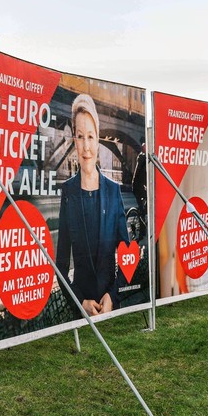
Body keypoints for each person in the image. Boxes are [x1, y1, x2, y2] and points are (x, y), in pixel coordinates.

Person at [56, 94, 130, 316]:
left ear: (98, 139)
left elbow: (127, 256)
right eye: (80, 137)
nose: (86, 146)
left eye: (90, 136)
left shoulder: (113, 191)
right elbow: (60, 267)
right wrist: (80, 302)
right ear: (74, 141)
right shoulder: (68, 193)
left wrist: (113, 296)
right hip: (81, 315)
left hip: (111, 311)